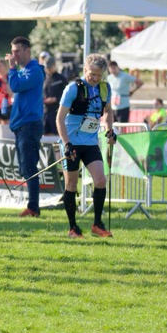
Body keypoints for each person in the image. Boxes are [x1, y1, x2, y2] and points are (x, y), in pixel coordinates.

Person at [56, 53, 117, 238]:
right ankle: (73, 228)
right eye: (92, 74)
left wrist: (110, 129)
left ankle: (97, 224)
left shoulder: (104, 88)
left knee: (101, 180)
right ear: (85, 70)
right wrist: (66, 144)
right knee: (71, 183)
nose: (95, 78)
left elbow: (108, 111)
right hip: (72, 143)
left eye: (99, 75)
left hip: (90, 143)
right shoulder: (73, 88)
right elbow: (59, 119)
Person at [7, 37, 46, 217]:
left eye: (17, 51)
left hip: (29, 125)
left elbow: (15, 86)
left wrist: (12, 69)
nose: (13, 55)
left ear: (27, 51)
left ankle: (33, 207)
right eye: (12, 51)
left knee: (29, 167)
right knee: (26, 168)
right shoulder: (25, 71)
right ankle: (33, 206)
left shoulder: (35, 71)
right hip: (22, 125)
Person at [42, 52, 67, 135]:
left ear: (54, 65)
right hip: (45, 112)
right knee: (45, 134)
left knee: (56, 135)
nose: (48, 69)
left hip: (57, 111)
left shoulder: (61, 79)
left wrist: (56, 99)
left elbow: (67, 96)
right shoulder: (44, 79)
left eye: (50, 67)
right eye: (47, 67)